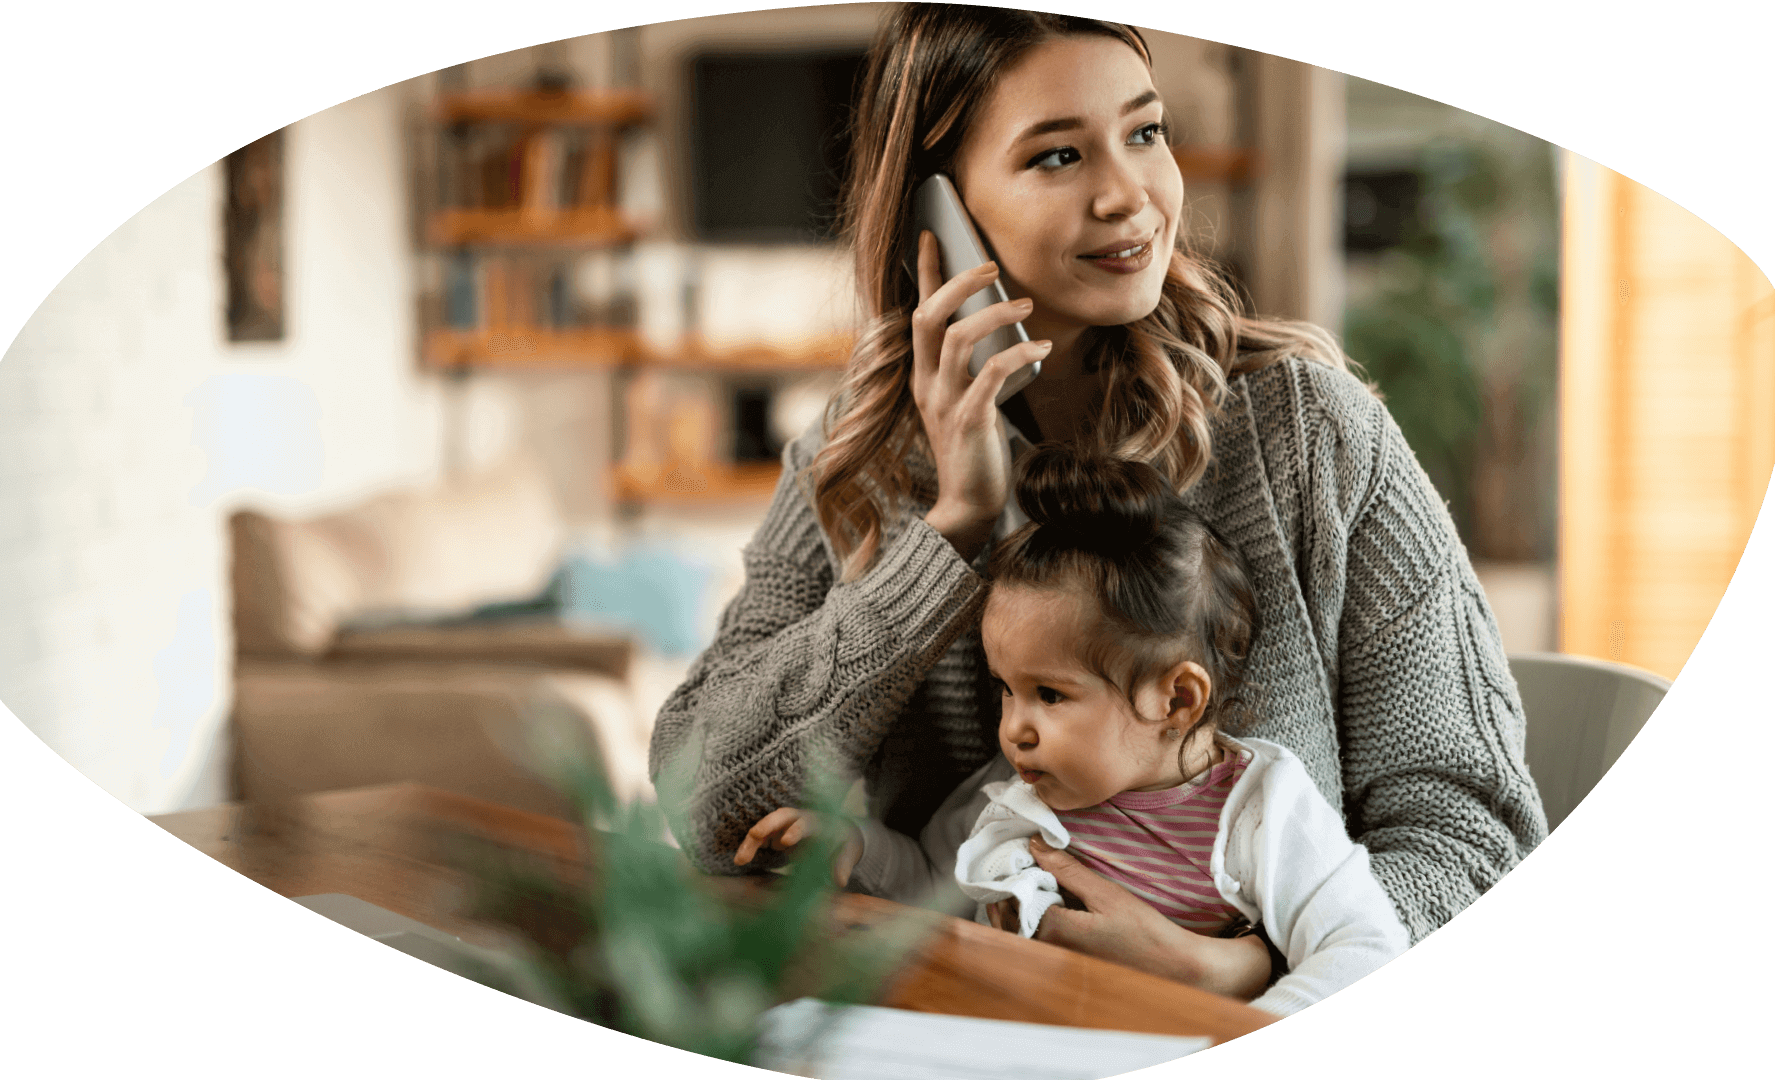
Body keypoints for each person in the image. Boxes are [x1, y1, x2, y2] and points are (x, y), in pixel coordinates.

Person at [653, 3, 1547, 984]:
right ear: (936, 214)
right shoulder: (854, 464)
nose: (1131, 196)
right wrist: (949, 535)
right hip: (955, 1027)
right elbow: (705, 806)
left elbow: (1475, 831)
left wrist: (1240, 967)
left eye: (1145, 132)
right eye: (1056, 157)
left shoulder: (1312, 433)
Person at [739, 443, 1411, 1014]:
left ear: (1176, 699)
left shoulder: (1262, 810)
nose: (1014, 729)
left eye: (1050, 695)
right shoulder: (1017, 791)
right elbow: (932, 887)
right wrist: (855, 846)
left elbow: (1364, 947)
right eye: (1006, 690)